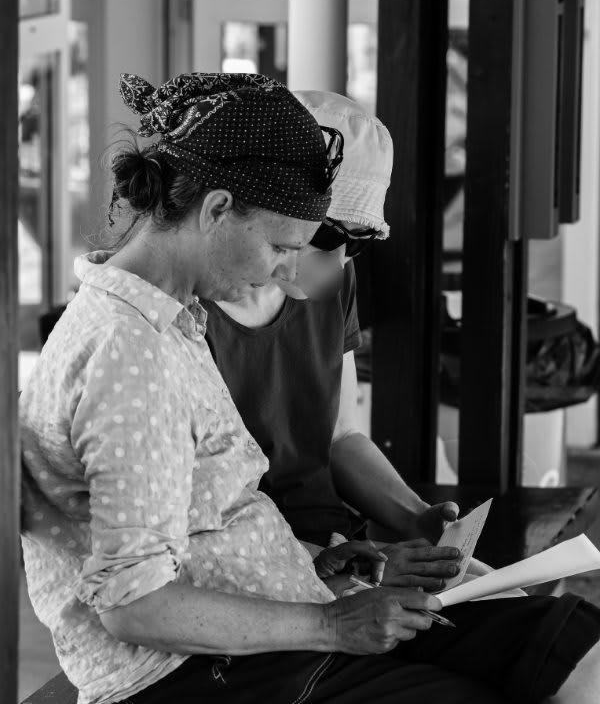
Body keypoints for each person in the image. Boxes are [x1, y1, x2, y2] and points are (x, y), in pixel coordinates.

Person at [20, 72, 600, 704]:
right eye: (280, 244)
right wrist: (329, 623)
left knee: (571, 644)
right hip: (198, 670)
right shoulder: (129, 352)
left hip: (281, 611)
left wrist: (313, 559)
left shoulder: (165, 320)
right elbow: (134, 607)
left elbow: (209, 522)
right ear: (216, 209)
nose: (290, 270)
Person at [202, 90, 465, 590]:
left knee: (516, 599)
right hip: (249, 562)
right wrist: (324, 561)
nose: (341, 261)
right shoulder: (189, 313)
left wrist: (417, 517)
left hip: (340, 543)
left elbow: (340, 437)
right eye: (326, 236)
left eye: (359, 241)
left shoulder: (332, 286)